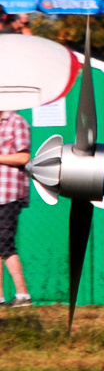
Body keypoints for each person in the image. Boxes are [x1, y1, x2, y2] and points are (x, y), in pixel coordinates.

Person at [0, 105, 32, 306]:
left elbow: (24, 156)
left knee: (4, 245)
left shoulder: (16, 121)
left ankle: (23, 295)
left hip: (8, 193)